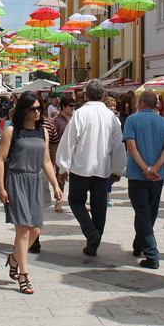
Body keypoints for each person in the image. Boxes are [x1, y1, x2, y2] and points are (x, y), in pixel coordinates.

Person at [0, 92, 63, 294]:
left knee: (36, 230)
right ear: (24, 110)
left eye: (39, 108)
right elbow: (0, 159)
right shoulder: (11, 131)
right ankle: (24, 273)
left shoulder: (43, 132)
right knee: (23, 229)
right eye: (32, 108)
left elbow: (46, 161)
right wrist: (1, 187)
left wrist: (55, 185)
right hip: (16, 180)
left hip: (34, 181)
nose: (37, 112)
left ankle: (14, 258)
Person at [55, 79, 125, 257]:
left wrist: (63, 167)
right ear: (103, 95)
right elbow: (118, 145)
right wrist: (117, 169)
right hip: (102, 168)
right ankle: (95, 237)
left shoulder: (80, 114)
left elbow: (69, 141)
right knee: (99, 205)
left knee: (76, 201)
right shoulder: (111, 117)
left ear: (85, 95)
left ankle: (91, 233)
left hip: (81, 167)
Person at [123, 91, 164, 269]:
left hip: (138, 175)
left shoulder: (132, 120)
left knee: (143, 212)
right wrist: (156, 168)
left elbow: (131, 147)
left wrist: (145, 168)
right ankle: (139, 245)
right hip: (157, 176)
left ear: (140, 103)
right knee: (150, 212)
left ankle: (152, 254)